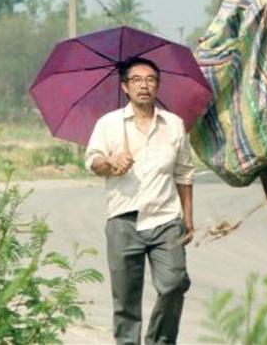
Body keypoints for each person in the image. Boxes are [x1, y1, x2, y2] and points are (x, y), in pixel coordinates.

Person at [85, 56, 195, 345]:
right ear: (124, 87)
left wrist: (188, 218)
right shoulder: (109, 124)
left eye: (150, 80)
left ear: (158, 86)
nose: (144, 85)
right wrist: (110, 162)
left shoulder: (173, 124)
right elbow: (92, 162)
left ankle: (159, 340)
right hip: (124, 221)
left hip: (165, 220)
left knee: (174, 284)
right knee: (126, 303)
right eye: (136, 80)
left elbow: (184, 173)